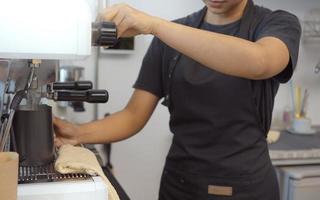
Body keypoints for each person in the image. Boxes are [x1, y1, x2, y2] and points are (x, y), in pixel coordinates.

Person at [53, 0, 301, 199]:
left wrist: (155, 26)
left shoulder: (276, 23)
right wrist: (76, 133)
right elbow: (133, 115)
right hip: (181, 185)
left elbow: (260, 61)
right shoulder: (171, 37)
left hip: (248, 186)